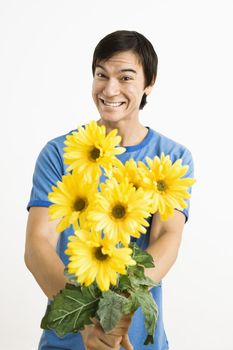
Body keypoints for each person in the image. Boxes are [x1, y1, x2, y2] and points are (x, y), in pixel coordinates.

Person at [25, 30, 194, 350]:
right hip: (68, 342)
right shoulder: (60, 153)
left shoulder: (172, 158)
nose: (110, 88)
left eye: (125, 77)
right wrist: (87, 319)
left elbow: (167, 239)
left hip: (139, 341)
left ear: (149, 83)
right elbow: (37, 244)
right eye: (101, 75)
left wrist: (115, 310)